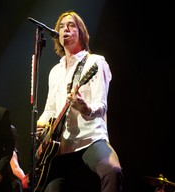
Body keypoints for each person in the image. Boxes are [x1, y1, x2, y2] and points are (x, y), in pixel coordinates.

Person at [35, 11, 123, 192]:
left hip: (90, 139)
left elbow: (102, 106)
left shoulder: (95, 62)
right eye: (61, 26)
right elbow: (50, 108)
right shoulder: (55, 71)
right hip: (61, 146)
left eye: (71, 25)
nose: (65, 29)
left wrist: (85, 107)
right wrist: (41, 125)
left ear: (81, 32)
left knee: (112, 170)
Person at [10, 125, 29, 192]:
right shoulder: (11, 151)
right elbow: (15, 168)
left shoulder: (10, 151)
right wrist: (24, 179)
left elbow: (15, 167)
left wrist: (24, 179)